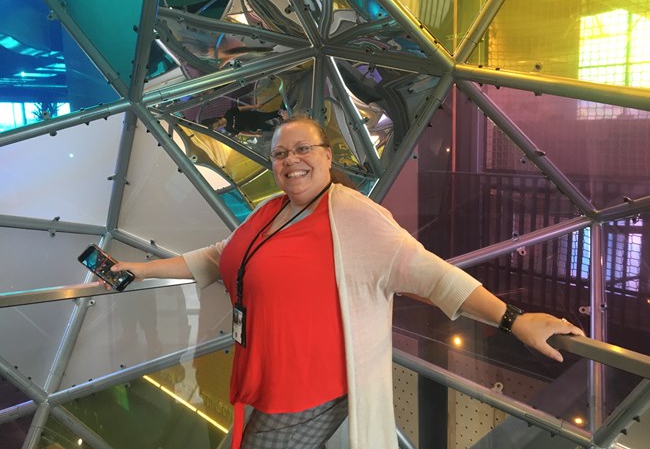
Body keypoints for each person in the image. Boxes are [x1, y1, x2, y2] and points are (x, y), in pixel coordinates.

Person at [109, 117, 584, 449]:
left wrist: (513, 319)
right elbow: (218, 257)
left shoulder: (352, 214)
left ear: (326, 155)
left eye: (302, 149)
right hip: (263, 374)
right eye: (279, 153)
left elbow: (435, 276)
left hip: (309, 391)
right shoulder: (270, 210)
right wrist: (141, 269)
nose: (290, 160)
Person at [204, 104, 284, 136]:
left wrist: (254, 106)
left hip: (255, 117)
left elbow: (241, 108)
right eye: (218, 127)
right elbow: (242, 133)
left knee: (269, 115)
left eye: (218, 124)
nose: (220, 126)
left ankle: (283, 111)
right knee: (273, 128)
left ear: (217, 119)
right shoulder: (228, 129)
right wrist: (254, 134)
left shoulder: (229, 113)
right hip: (254, 126)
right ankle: (286, 127)